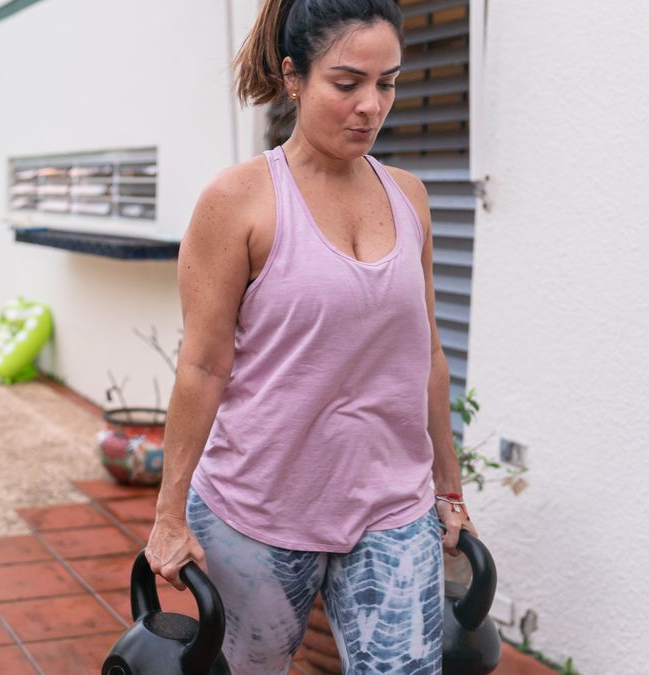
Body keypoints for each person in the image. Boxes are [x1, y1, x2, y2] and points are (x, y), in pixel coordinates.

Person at [145, 0, 478, 672]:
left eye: (386, 83)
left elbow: (428, 354)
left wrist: (449, 488)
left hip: (391, 506)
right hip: (257, 511)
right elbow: (204, 367)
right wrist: (169, 513)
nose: (370, 106)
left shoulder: (409, 196)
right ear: (294, 77)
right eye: (347, 83)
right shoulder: (237, 200)